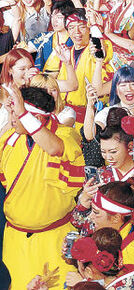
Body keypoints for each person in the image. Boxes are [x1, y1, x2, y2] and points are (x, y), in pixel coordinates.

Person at [0, 85, 85, 289]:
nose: (11, 118)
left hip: (55, 239)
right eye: (11, 112)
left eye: (16, 113)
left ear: (36, 119)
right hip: (16, 240)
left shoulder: (66, 135)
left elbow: (55, 148)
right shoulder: (8, 139)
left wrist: (22, 113)